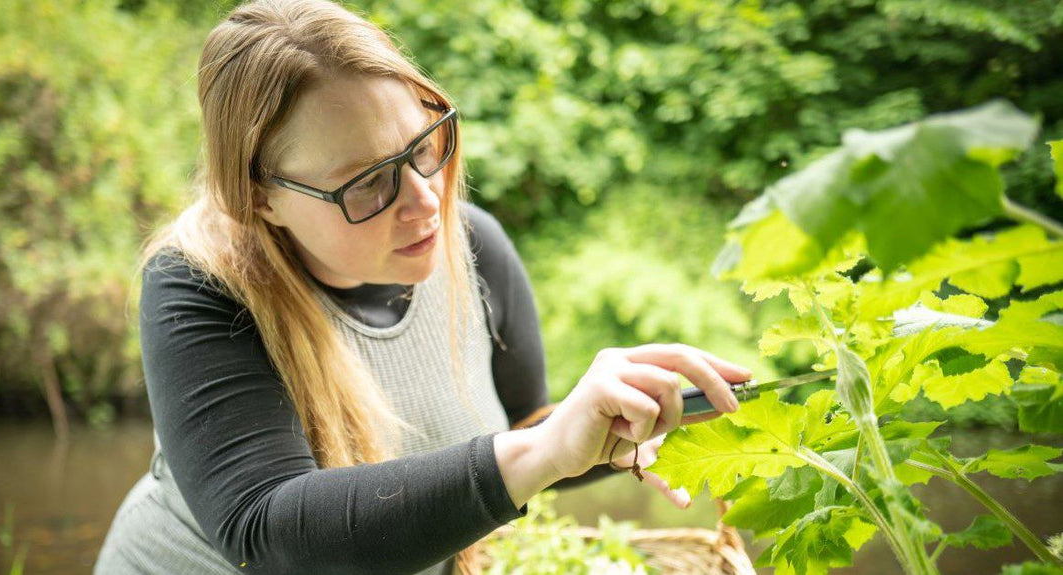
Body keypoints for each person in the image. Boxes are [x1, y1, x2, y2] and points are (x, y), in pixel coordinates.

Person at [94, 0, 749, 573]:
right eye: (367, 182)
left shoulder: (474, 245)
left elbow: (525, 428)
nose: (425, 199)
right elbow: (267, 531)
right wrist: (539, 450)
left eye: (423, 145)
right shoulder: (199, 283)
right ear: (261, 199)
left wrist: (613, 419)